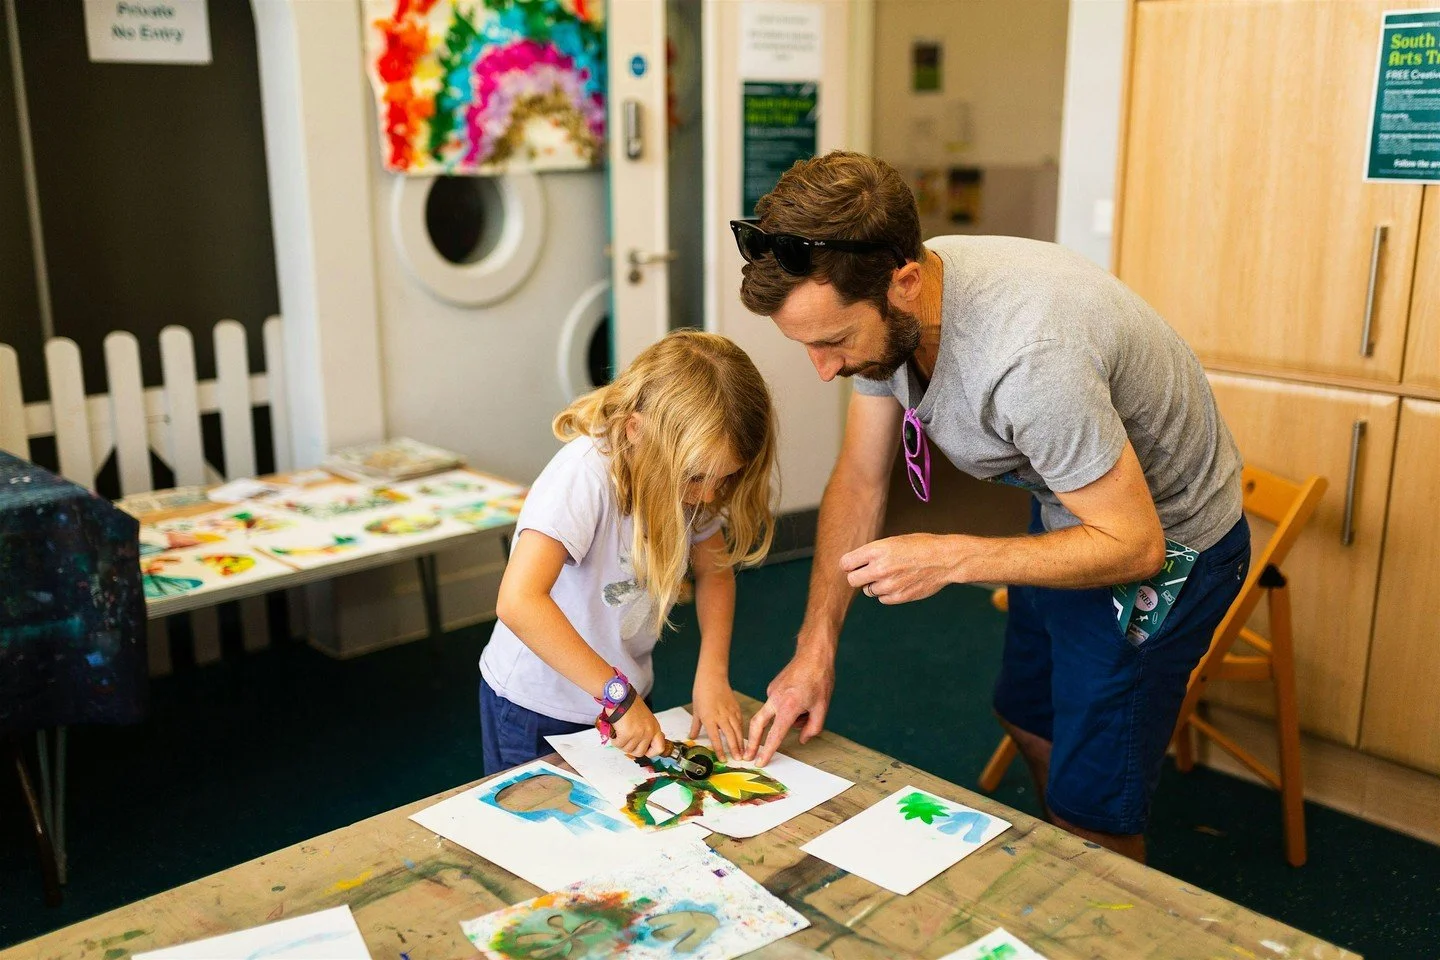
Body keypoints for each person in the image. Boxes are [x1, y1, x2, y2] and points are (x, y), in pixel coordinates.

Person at [736, 151, 1249, 862]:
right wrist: (813, 650)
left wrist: (953, 556)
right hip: (1074, 508)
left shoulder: (1030, 360)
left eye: (834, 343)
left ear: (905, 284)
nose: (823, 369)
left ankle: (1093, 864)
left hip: (1167, 546)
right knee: (1026, 710)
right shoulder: (886, 303)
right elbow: (859, 480)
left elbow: (1137, 546)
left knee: (1095, 805)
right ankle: (1064, 849)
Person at [480, 330, 778, 775]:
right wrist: (616, 696)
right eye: (697, 478)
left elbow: (715, 573)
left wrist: (712, 673)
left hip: (623, 696)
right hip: (539, 704)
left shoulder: (694, 480)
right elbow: (518, 601)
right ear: (636, 430)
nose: (707, 495)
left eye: (726, 479)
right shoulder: (584, 475)